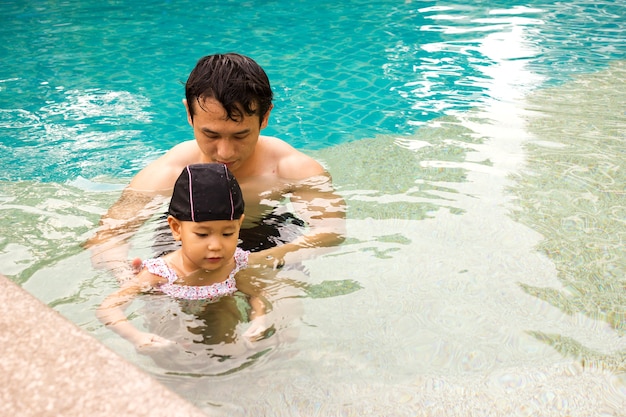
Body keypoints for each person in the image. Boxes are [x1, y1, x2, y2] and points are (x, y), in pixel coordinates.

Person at [85, 52, 345, 283]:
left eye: (240, 135)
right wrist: (123, 272)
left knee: (281, 312)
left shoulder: (291, 168)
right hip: (189, 237)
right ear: (189, 114)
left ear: (265, 117)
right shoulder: (171, 171)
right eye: (211, 134)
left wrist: (251, 263)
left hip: (267, 232)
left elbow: (331, 232)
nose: (225, 152)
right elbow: (107, 236)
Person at [97, 163, 269, 352]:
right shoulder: (161, 273)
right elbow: (108, 308)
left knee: (225, 318)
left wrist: (260, 318)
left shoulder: (236, 263)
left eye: (228, 233)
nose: (216, 245)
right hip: (172, 334)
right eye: (203, 235)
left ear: (239, 225)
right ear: (176, 228)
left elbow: (256, 294)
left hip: (220, 333)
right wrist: (137, 337)